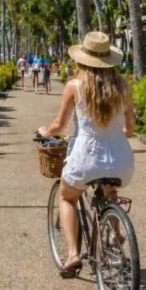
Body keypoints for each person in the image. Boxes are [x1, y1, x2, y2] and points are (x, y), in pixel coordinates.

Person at [38, 32, 135, 277]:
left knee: (67, 197)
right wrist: (113, 131)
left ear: (82, 60)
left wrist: (44, 131)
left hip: (86, 157)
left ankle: (72, 255)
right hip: (121, 160)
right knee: (110, 194)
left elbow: (60, 126)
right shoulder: (123, 87)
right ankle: (112, 239)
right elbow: (130, 129)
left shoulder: (74, 86)